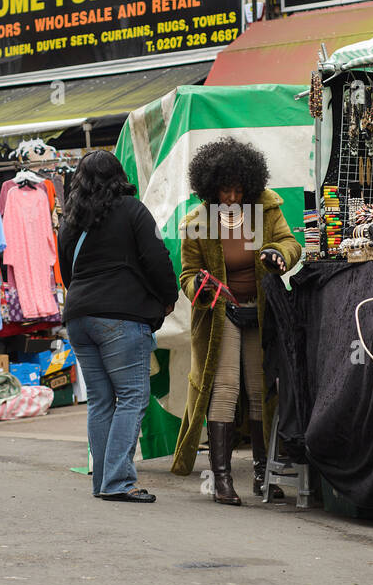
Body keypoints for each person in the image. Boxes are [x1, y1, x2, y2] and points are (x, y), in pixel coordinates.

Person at [172, 137, 302, 505]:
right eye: (223, 190)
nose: (230, 197)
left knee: (261, 389)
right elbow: (186, 276)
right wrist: (200, 283)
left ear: (249, 185)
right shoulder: (197, 222)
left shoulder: (267, 208)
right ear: (210, 189)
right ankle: (222, 478)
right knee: (225, 387)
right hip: (220, 314)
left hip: (259, 310)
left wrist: (279, 254)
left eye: (237, 189)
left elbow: (290, 243)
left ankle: (265, 473)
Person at [59, 150, 178, 504]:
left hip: (79, 316)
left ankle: (103, 480)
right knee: (131, 397)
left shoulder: (71, 219)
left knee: (100, 401)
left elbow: (67, 271)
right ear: (118, 175)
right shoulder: (132, 210)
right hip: (121, 317)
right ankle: (119, 481)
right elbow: (157, 257)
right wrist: (167, 297)